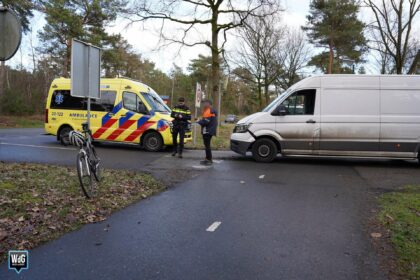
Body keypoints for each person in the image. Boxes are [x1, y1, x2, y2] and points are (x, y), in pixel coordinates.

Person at [197, 100, 217, 165]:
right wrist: (201, 120)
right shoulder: (211, 110)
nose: (204, 105)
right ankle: (207, 158)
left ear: (209, 104)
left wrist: (198, 121)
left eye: (205, 103)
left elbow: (205, 121)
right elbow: (207, 120)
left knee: (207, 146)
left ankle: (209, 159)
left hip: (207, 131)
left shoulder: (209, 111)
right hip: (210, 130)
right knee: (207, 145)